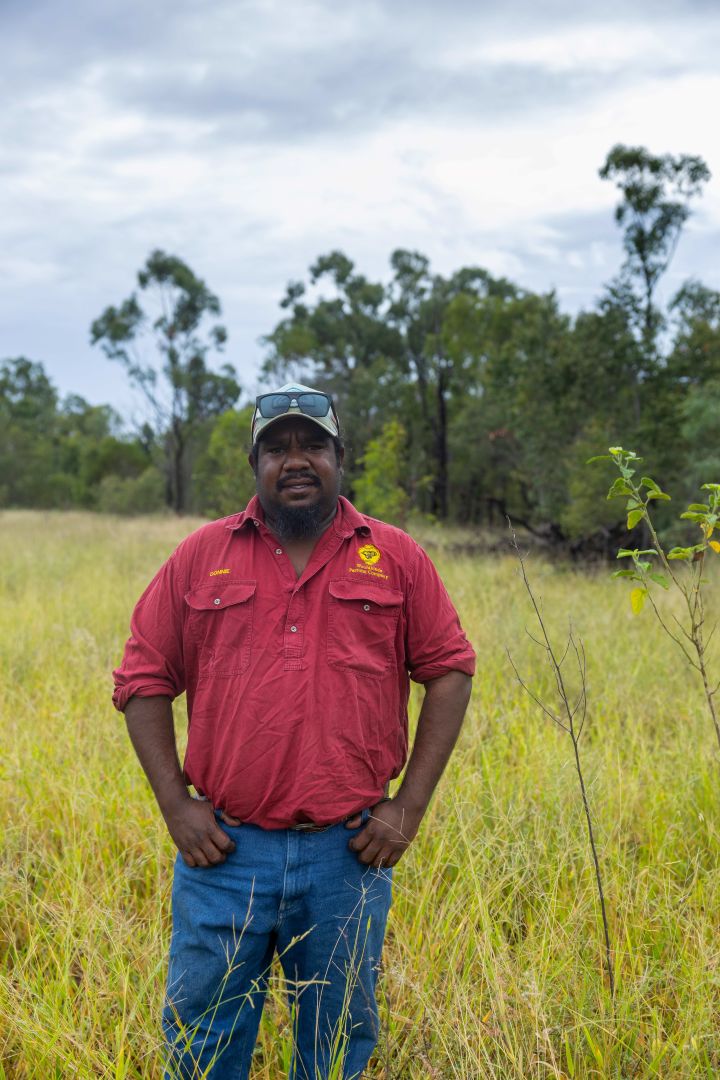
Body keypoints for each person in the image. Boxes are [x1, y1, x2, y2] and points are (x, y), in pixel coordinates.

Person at [113, 383, 475, 1079]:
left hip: (347, 855)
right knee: (201, 1048)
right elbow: (142, 679)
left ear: (342, 457)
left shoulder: (394, 556)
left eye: (312, 444)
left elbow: (450, 670)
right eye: (277, 447)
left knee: (336, 1047)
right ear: (255, 464)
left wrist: (411, 807)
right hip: (224, 855)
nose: (296, 459)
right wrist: (175, 807)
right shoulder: (201, 556)